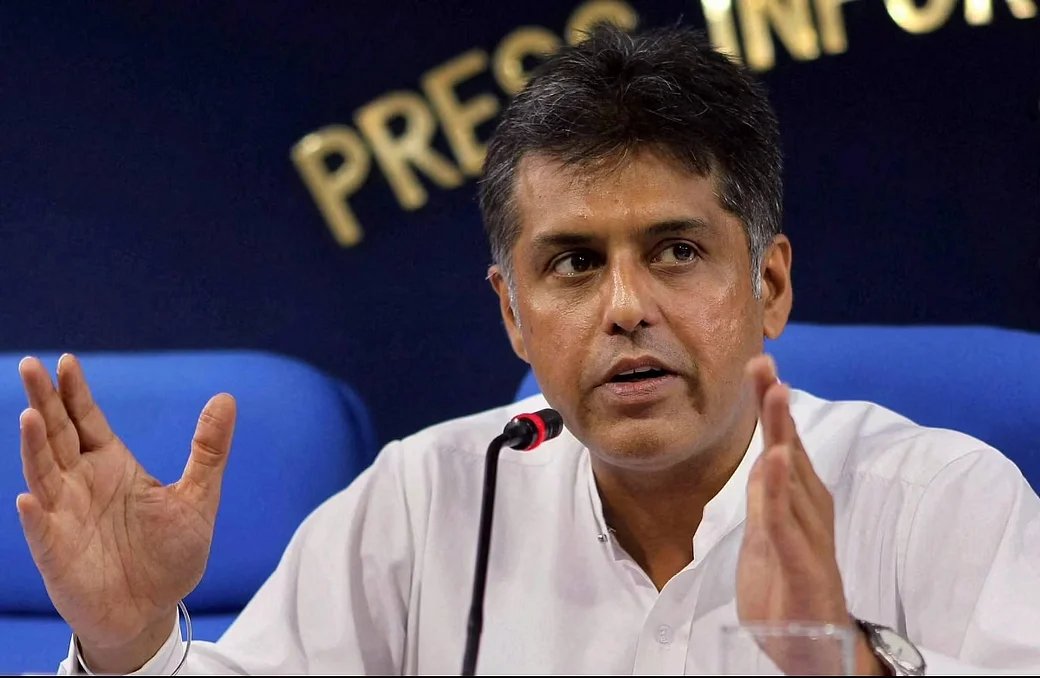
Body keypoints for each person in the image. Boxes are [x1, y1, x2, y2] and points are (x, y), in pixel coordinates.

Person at [15, 24, 1039, 676]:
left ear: (768, 285)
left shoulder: (938, 501)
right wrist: (129, 642)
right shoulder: (425, 500)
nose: (626, 308)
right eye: (574, 263)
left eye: (676, 251)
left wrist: (846, 663)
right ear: (512, 313)